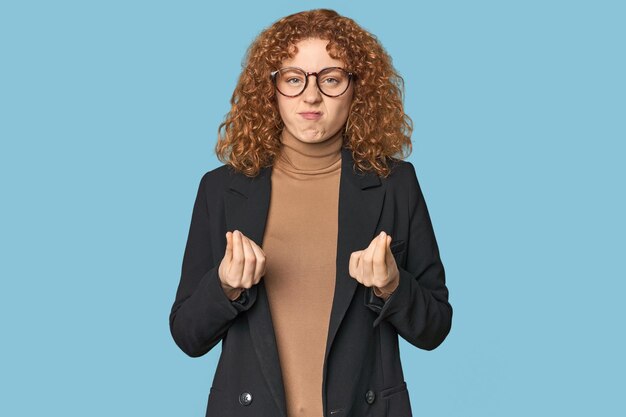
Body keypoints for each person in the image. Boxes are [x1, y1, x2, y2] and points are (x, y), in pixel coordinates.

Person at [169, 8, 452, 417]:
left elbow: (435, 328)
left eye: (331, 79)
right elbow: (187, 335)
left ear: (358, 88)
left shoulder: (395, 184)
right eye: (293, 78)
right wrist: (225, 286)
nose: (311, 95)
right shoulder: (221, 189)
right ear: (272, 89)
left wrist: (392, 285)